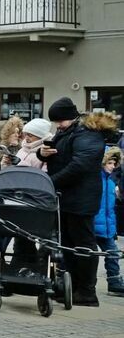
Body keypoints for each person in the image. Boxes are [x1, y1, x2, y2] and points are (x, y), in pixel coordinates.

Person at [40, 98, 119, 306]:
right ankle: (71, 287)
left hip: (81, 198)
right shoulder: (68, 131)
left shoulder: (87, 133)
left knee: (83, 243)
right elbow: (60, 153)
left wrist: (51, 181)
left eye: (60, 121)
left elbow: (80, 165)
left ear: (70, 117)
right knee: (68, 242)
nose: (58, 125)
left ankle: (86, 291)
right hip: (66, 197)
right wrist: (43, 153)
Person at [94, 148, 124, 297]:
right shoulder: (95, 180)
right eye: (109, 163)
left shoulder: (111, 183)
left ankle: (114, 282)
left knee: (112, 254)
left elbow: (111, 209)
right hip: (93, 225)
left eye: (114, 163)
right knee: (88, 256)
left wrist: (113, 230)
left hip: (106, 227)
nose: (112, 166)